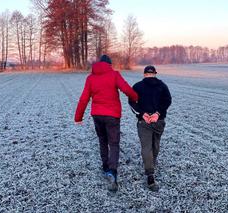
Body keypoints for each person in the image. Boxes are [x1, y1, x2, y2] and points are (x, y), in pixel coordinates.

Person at [74, 55, 138, 192]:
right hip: (112, 115)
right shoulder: (114, 75)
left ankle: (105, 167)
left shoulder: (90, 78)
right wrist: (136, 97)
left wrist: (78, 117)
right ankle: (113, 171)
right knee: (113, 143)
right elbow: (126, 89)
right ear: (109, 64)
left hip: (97, 115)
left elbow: (84, 98)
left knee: (102, 140)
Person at [129, 65, 172, 192]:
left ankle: (150, 174)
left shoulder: (137, 86)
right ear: (155, 73)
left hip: (144, 121)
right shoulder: (162, 85)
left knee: (146, 147)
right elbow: (168, 101)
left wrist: (143, 114)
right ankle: (152, 163)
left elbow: (132, 102)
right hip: (159, 121)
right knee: (155, 144)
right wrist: (157, 113)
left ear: (144, 74)